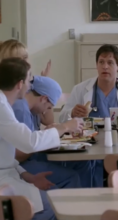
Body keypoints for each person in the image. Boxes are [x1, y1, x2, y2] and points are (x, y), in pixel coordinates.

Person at [0, 57, 84, 220]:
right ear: (19, 84)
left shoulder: (5, 105)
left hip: (10, 175)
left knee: (54, 204)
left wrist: (28, 176)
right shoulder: (2, 107)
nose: (30, 85)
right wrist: (65, 127)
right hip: (4, 182)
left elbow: (5, 156)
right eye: (29, 80)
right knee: (53, 208)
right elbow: (29, 142)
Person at [59, 44, 118, 186]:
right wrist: (72, 113)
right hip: (89, 141)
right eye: (101, 62)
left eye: (110, 63)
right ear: (96, 65)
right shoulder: (80, 89)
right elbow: (62, 117)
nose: (105, 67)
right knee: (86, 166)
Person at [13, 75, 92, 188]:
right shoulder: (20, 109)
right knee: (72, 176)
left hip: (33, 156)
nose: (46, 111)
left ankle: (88, 199)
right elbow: (18, 155)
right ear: (44, 99)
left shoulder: (33, 109)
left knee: (82, 162)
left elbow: (47, 121)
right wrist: (52, 133)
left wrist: (51, 133)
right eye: (49, 107)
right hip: (21, 164)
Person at [0, 39, 54, 130]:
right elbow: (26, 141)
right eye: (21, 59)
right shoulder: (14, 99)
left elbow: (48, 120)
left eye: (26, 57)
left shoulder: (31, 85)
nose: (26, 62)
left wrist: (45, 86)